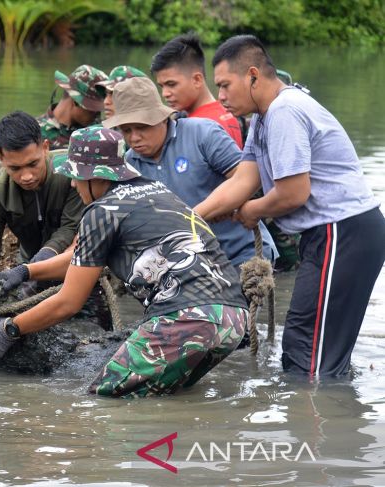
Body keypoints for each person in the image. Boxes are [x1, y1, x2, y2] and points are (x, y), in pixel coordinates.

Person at [0, 127, 248, 398]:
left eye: (76, 177)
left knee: (102, 402)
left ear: (95, 177)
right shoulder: (158, 191)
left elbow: (68, 303)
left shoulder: (101, 212)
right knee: (168, 399)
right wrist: (25, 271)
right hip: (234, 319)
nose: (73, 185)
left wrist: (10, 328)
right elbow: (79, 261)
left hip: (185, 319)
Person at [195, 34, 385, 377]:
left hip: (343, 232)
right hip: (332, 236)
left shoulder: (285, 111)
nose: (220, 97)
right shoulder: (263, 119)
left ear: (252, 75)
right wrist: (191, 218)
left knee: (306, 351)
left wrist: (252, 211)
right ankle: (328, 420)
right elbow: (243, 181)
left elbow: (294, 192)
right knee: (308, 345)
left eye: (224, 85)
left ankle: (317, 422)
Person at [103, 76, 276, 269]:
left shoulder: (203, 133)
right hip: (190, 266)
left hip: (241, 254)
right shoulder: (129, 166)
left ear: (161, 118)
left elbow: (250, 181)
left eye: (142, 127)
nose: (134, 138)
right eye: (126, 130)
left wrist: (214, 209)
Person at [0, 111, 84, 287]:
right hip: (29, 271)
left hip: (78, 264)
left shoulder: (73, 171)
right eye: (15, 168)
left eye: (33, 164)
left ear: (45, 148)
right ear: (1, 159)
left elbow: (71, 226)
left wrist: (48, 252)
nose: (26, 176)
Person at [151, 33, 243, 148]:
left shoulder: (200, 125)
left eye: (171, 84)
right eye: (161, 86)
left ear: (197, 80)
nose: (165, 94)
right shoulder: (227, 114)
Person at [36, 65, 108, 150]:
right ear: (75, 101)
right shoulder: (35, 132)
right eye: (93, 109)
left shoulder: (99, 130)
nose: (98, 115)